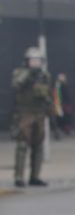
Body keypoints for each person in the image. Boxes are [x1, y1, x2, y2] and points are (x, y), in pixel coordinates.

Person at [11, 47, 52, 188]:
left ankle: (35, 176)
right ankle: (19, 177)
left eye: (38, 60)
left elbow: (48, 94)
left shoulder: (44, 76)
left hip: (39, 113)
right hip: (25, 113)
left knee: (38, 145)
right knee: (22, 145)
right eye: (32, 60)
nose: (35, 63)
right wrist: (28, 74)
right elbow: (16, 84)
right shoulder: (20, 73)